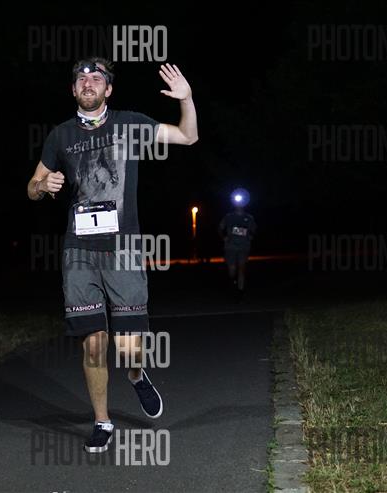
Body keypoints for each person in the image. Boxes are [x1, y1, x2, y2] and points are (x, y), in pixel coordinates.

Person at [27, 57, 198, 453]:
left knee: (128, 348)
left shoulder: (129, 123)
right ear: (73, 90)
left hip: (123, 249)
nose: (88, 82)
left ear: (108, 89)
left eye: (97, 78)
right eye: (81, 78)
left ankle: (136, 375)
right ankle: (102, 421)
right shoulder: (60, 135)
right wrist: (42, 186)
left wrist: (186, 99)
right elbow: (32, 186)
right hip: (79, 252)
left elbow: (187, 137)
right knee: (92, 343)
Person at [218, 194, 256, 296]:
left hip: (244, 247)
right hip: (230, 247)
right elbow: (220, 228)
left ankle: (240, 291)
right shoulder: (228, 217)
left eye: (241, 203)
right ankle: (232, 282)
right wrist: (223, 237)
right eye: (237, 203)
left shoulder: (249, 218)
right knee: (232, 269)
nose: (239, 205)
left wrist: (251, 235)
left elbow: (253, 230)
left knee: (241, 269)